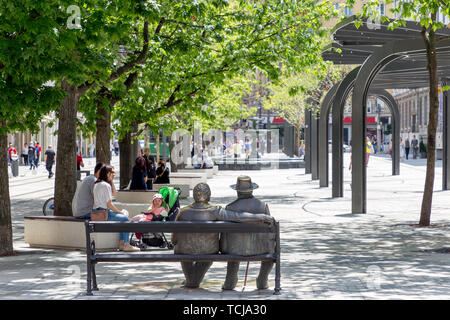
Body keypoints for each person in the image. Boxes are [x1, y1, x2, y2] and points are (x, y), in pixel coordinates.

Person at [171, 183, 274, 288]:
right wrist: (262, 217)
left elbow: (174, 236)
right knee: (206, 254)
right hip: (209, 251)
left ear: (193, 195)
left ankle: (191, 280)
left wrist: (174, 242)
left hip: (184, 250)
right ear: (209, 195)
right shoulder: (215, 210)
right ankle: (192, 281)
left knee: (185, 252)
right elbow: (238, 217)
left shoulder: (183, 212)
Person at [220, 176, 275, 290]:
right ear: (252, 189)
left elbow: (225, 235)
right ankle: (262, 279)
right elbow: (270, 231)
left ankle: (230, 280)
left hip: (235, 250)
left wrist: (223, 248)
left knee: (231, 247)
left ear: (237, 191)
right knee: (273, 248)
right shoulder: (263, 206)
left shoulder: (230, 207)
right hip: (261, 249)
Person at [92, 165, 139, 252]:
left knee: (123, 218)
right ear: (107, 173)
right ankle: (126, 244)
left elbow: (114, 194)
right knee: (125, 218)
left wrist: (111, 181)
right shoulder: (105, 185)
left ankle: (122, 244)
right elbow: (109, 204)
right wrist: (119, 212)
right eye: (112, 172)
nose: (114, 174)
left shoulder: (97, 184)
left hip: (98, 212)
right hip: (105, 213)